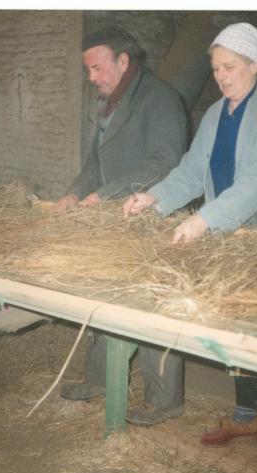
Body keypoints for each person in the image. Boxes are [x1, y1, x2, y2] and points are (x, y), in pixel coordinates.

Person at [123, 23, 257, 473]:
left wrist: (203, 218)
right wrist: (157, 198)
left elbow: (256, 185)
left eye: (230, 67)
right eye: (215, 68)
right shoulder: (214, 115)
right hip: (229, 238)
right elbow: (191, 171)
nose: (221, 76)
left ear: (256, 66)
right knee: (234, 325)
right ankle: (247, 415)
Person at [56, 26, 188, 427]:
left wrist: (109, 194)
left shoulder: (160, 98)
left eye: (97, 68)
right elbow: (94, 164)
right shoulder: (110, 104)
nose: (91, 77)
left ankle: (165, 400)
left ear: (123, 61)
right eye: (89, 70)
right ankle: (99, 378)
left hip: (152, 217)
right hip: (113, 219)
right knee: (104, 292)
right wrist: (75, 194)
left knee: (152, 306)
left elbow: (164, 161)